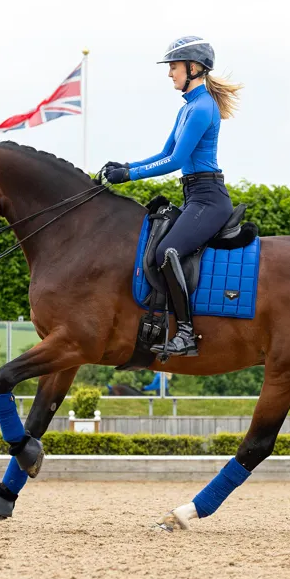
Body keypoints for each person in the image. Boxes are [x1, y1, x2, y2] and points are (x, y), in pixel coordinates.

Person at [99, 36, 243, 357]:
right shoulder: (188, 109)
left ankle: (187, 333)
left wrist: (130, 176)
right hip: (195, 196)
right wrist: (125, 167)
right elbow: (165, 152)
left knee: (167, 250)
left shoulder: (203, 108)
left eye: (174, 68)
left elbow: (176, 162)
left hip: (209, 199)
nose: (170, 74)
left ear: (193, 68)